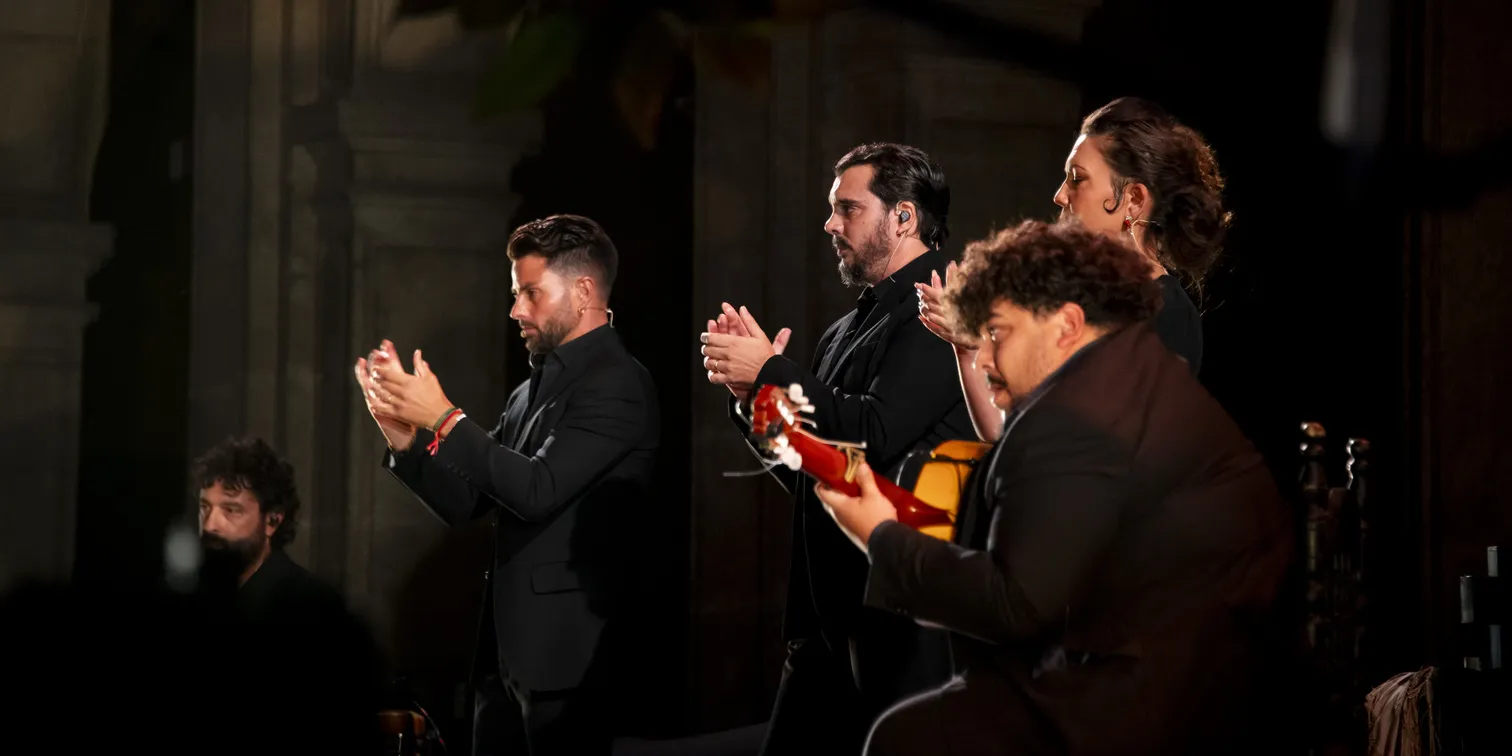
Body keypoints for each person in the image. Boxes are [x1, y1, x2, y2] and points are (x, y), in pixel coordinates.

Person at [815, 219, 1293, 755]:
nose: (987, 358)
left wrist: (881, 534)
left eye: (997, 334)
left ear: (1066, 325)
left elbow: (1017, 606)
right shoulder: (1133, 374)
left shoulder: (1073, 418)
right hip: (1209, 678)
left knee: (899, 738)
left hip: (1151, 705)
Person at [699, 143, 975, 754]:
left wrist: (770, 368)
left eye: (847, 209)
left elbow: (872, 435)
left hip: (898, 619)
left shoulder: (941, 312)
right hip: (824, 621)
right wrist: (753, 399)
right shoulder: (844, 329)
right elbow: (810, 472)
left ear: (904, 217)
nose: (829, 224)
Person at [357, 213, 659, 756]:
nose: (516, 309)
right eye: (516, 293)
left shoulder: (619, 382)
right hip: (505, 659)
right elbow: (468, 500)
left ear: (585, 290)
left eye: (531, 293)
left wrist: (446, 419)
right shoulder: (529, 391)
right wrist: (405, 439)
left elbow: (537, 489)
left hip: (570, 662)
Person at [917, 96, 1229, 440]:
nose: (1059, 195)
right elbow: (1006, 435)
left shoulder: (1167, 314)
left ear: (1134, 199)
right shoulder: (1071, 303)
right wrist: (969, 350)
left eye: (1077, 179)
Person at [191, 436, 386, 754]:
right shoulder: (195, 602)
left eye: (231, 510)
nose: (211, 524)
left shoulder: (310, 608)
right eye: (205, 508)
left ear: (272, 521)